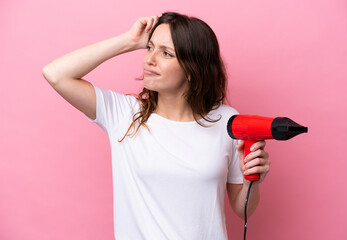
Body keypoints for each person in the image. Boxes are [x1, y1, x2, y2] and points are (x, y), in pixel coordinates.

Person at [42, 12, 270, 240]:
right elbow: (56, 74)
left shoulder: (227, 122)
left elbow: (244, 210)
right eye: (150, 48)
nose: (149, 60)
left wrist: (254, 179)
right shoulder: (124, 115)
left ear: (192, 69)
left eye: (166, 53)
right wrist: (129, 41)